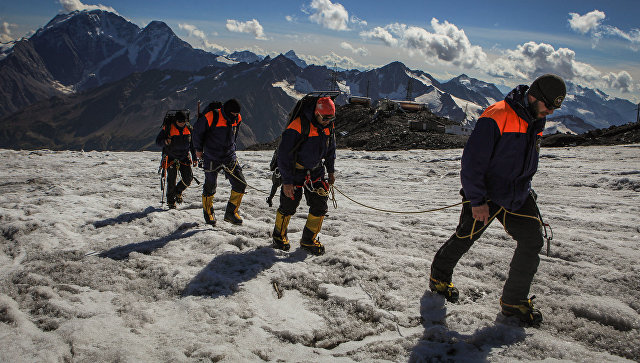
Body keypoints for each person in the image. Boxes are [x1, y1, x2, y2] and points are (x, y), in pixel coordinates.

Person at [429, 74, 566, 326]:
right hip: (486, 195)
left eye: (555, 108)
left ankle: (513, 302)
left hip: (516, 195)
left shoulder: (537, 118)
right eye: (549, 105)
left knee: (532, 239)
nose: (550, 112)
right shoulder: (497, 114)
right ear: (534, 96)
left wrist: (526, 187)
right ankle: (439, 278)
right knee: (464, 237)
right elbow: (472, 161)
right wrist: (477, 199)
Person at [271, 96, 337, 255]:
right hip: (294, 173)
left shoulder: (328, 127)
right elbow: (283, 155)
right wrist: (287, 181)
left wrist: (331, 170)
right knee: (288, 206)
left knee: (320, 206)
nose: (328, 121)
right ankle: (279, 237)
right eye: (325, 118)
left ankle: (308, 240)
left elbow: (330, 150)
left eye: (331, 118)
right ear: (316, 113)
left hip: (316, 172)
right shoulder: (298, 125)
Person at [192, 99, 246, 226]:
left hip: (229, 156)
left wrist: (232, 147)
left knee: (240, 184)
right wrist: (198, 150)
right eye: (232, 113)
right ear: (226, 111)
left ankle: (231, 213)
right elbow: (197, 133)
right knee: (210, 186)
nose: (235, 116)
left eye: (236, 114)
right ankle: (208, 213)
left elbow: (235, 133)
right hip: (211, 156)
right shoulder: (212, 116)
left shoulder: (237, 117)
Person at [156, 110, 195, 209]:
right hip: (171, 157)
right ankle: (171, 201)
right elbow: (158, 142)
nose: (182, 123)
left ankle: (178, 191)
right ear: (176, 121)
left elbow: (192, 145)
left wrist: (194, 157)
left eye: (183, 121)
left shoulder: (189, 129)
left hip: (184, 157)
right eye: (180, 121)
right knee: (171, 180)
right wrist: (165, 142)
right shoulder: (168, 128)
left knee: (188, 178)